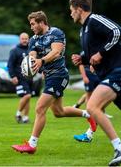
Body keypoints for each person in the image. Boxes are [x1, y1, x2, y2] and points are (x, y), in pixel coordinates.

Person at [69, 0, 121, 166]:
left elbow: (117, 31)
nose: (70, 14)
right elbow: (96, 52)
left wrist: (101, 54)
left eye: (71, 10)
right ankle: (120, 150)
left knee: (93, 107)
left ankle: (120, 150)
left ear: (79, 9)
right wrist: (84, 59)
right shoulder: (83, 30)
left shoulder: (94, 20)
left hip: (116, 74)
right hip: (111, 75)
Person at [11, 10, 97, 154]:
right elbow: (32, 56)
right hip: (49, 77)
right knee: (59, 112)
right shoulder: (33, 40)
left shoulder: (56, 33)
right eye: (30, 24)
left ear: (41, 22)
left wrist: (41, 60)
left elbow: (56, 52)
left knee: (39, 108)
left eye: (33, 24)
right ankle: (89, 115)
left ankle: (32, 145)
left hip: (59, 75)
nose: (31, 27)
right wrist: (30, 64)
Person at [73, 64, 113, 142]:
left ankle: (87, 114)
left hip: (114, 80)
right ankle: (89, 134)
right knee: (98, 108)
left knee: (96, 108)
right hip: (108, 79)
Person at [8, 32, 33, 123]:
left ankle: (25, 117)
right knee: (27, 95)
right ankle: (18, 113)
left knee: (28, 97)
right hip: (20, 78)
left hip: (30, 77)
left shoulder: (31, 50)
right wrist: (13, 76)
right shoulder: (15, 50)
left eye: (26, 38)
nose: (24, 40)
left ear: (28, 39)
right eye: (23, 39)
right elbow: (10, 65)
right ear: (20, 39)